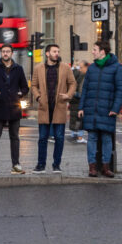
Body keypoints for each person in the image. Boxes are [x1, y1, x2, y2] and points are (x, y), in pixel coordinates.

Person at [78, 40, 122, 178]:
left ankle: (106, 167)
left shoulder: (117, 67)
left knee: (106, 138)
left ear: (102, 52)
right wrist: (81, 107)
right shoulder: (92, 68)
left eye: (94, 49)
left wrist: (115, 108)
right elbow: (85, 88)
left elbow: (120, 90)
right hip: (91, 109)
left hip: (107, 109)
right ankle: (92, 167)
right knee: (91, 137)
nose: (92, 51)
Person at [0, 43, 29, 175]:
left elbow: (25, 87)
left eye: (8, 51)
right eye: (3, 52)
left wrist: (20, 93)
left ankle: (16, 164)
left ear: (12, 53)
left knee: (15, 137)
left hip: (14, 107)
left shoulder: (18, 69)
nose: (5, 54)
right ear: (1, 53)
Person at [30, 44, 76, 173]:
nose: (57, 53)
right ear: (47, 54)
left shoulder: (65, 68)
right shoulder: (38, 68)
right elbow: (33, 85)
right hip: (44, 107)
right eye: (54, 51)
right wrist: (38, 97)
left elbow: (72, 83)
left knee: (59, 138)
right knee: (42, 138)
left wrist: (68, 95)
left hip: (59, 106)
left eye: (58, 51)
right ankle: (41, 165)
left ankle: (56, 165)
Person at [67, 61, 88, 143]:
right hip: (78, 101)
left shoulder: (74, 74)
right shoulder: (84, 76)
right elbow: (81, 92)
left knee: (74, 118)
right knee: (79, 119)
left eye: (81, 67)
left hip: (73, 101)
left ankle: (74, 135)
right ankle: (79, 137)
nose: (80, 69)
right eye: (79, 67)